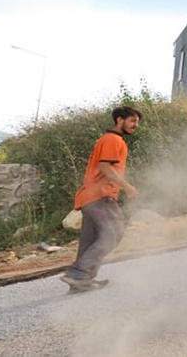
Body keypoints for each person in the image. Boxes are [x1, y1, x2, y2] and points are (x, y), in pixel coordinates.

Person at [60, 106, 142, 291]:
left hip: (89, 197)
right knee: (114, 234)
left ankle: (81, 282)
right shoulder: (113, 140)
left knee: (90, 240)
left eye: (137, 122)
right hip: (101, 196)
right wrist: (127, 186)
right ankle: (78, 273)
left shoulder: (109, 139)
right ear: (119, 120)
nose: (135, 125)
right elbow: (105, 167)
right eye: (132, 120)